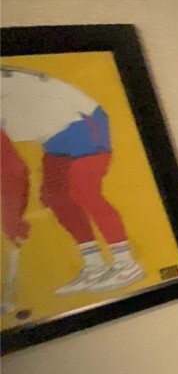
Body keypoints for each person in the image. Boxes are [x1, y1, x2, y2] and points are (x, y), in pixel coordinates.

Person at [0, 65, 145, 295]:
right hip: (53, 135)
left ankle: (126, 263)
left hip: (81, 118)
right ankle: (95, 265)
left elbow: (12, 172)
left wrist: (11, 220)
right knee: (54, 196)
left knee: (83, 191)